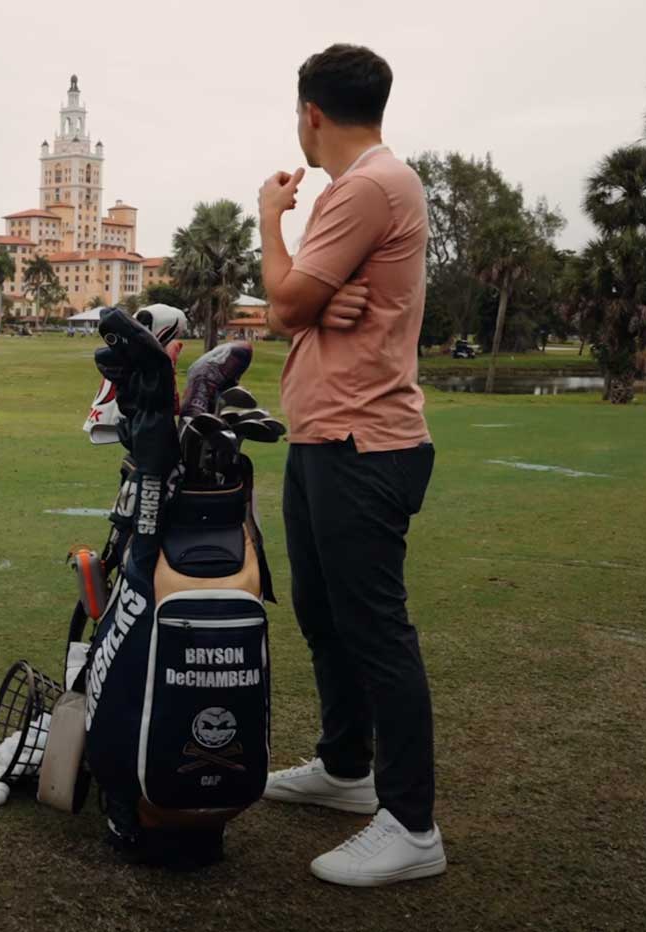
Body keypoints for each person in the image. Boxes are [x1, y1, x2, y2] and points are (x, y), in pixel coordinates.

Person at [254, 43, 442, 887]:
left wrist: (270, 223)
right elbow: (290, 313)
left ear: (311, 114)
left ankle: (409, 824)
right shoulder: (357, 189)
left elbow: (285, 302)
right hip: (324, 436)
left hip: (365, 443)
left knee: (375, 631)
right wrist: (314, 309)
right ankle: (344, 769)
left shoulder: (365, 186)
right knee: (322, 613)